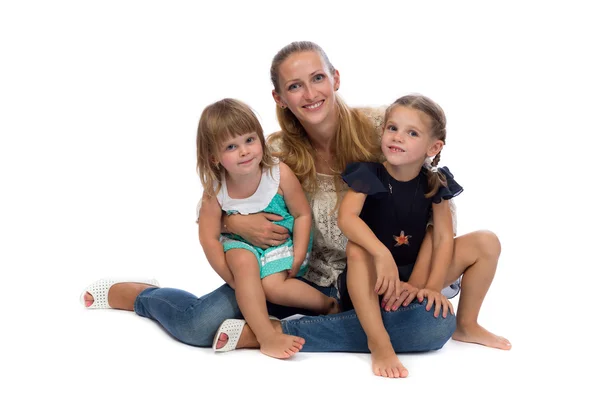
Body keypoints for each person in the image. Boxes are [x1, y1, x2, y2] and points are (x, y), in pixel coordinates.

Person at [80, 41, 491, 378]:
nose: (310, 94)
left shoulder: (383, 128)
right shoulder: (272, 152)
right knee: (197, 325)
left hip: (375, 281)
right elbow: (216, 203)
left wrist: (423, 280)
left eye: (317, 78)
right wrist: (235, 221)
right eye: (295, 86)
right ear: (279, 97)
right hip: (294, 276)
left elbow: (433, 200)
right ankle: (143, 296)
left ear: (335, 78)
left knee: (433, 324)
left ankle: (270, 333)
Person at [337, 94, 511, 378]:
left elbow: (443, 239)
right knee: (357, 248)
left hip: (414, 278)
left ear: (434, 147)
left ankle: (466, 324)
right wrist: (381, 254)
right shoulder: (369, 175)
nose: (398, 137)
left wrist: (429, 287)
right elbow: (346, 219)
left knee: (486, 240)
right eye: (392, 128)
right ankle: (379, 342)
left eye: (412, 133)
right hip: (373, 279)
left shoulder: (435, 183)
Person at [196, 98, 338, 359]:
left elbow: (301, 213)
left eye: (250, 140)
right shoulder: (215, 191)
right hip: (239, 244)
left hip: (280, 243)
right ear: (214, 157)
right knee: (242, 261)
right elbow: (209, 238)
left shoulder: (277, 173)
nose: (244, 151)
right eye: (231, 146)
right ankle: (266, 335)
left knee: (274, 288)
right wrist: (230, 277)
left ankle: (329, 306)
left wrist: (299, 254)